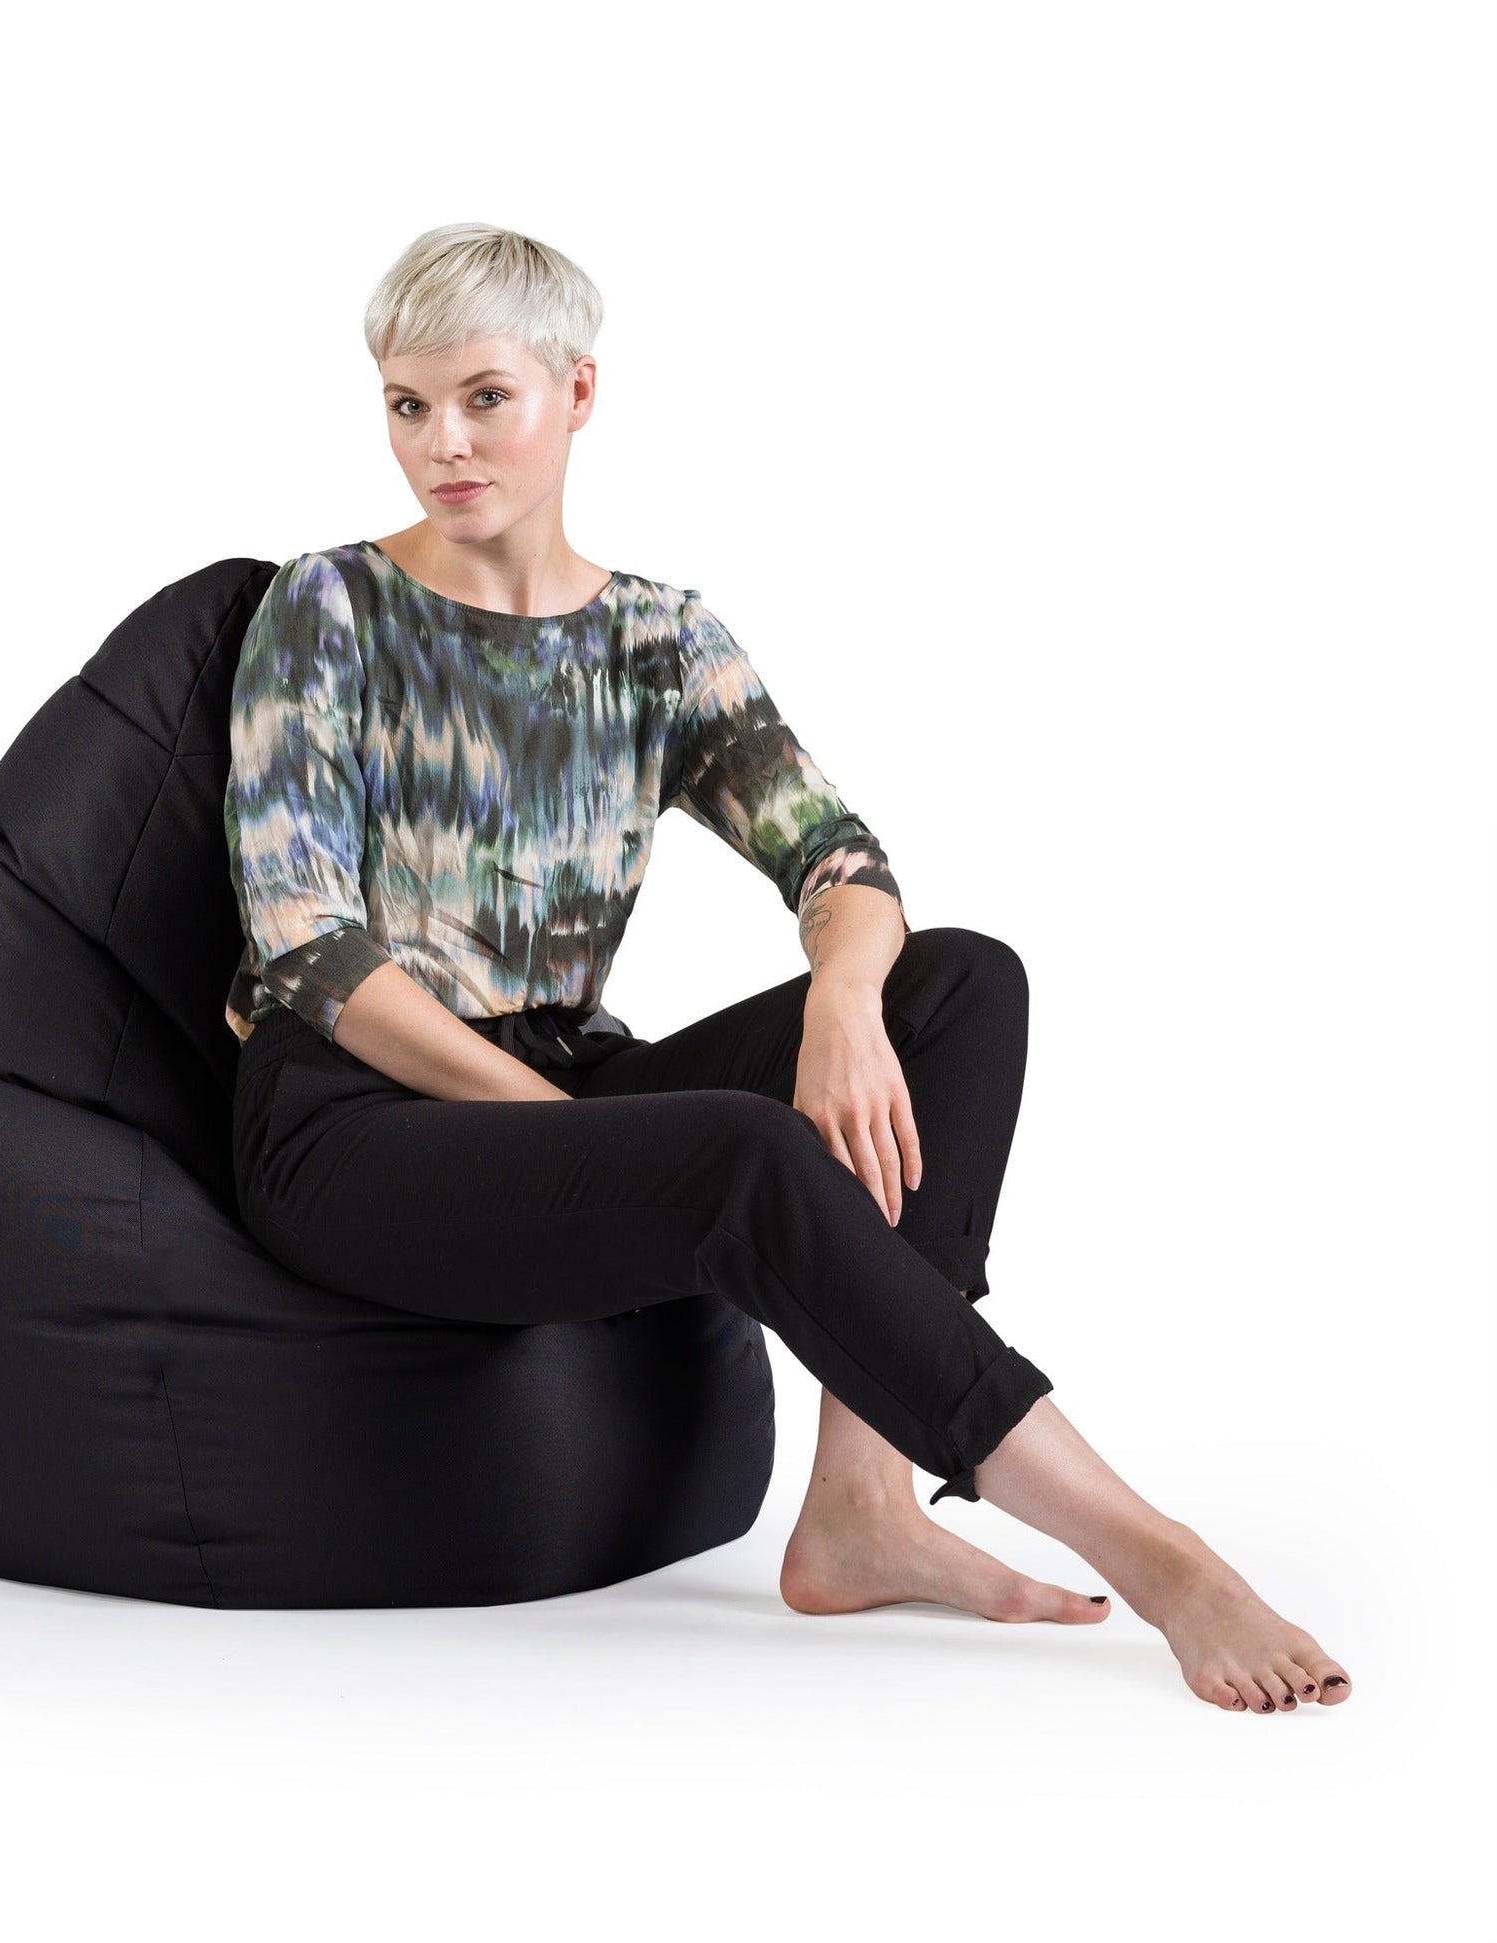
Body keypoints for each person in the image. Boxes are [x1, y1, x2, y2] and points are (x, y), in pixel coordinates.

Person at [221, 221, 1351, 1714]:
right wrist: (570, 1137)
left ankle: (860, 1506)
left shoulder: (655, 638)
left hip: (558, 1063)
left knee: (957, 984)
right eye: (406, 403)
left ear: (578, 392)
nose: (441, 442)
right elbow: (309, 945)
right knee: (740, 1158)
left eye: (483, 397)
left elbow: (841, 860)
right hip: (354, 1119)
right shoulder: (328, 609)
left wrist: (840, 993)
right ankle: (1160, 1558)